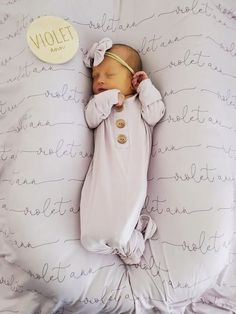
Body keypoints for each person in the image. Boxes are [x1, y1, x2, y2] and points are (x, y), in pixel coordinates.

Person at [80, 37, 165, 264]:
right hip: (103, 173)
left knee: (122, 215)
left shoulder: (140, 104)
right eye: (96, 76)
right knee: (90, 230)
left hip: (131, 174)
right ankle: (129, 239)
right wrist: (109, 97)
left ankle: (128, 239)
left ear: (132, 79)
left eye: (109, 75)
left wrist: (146, 86)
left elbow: (156, 113)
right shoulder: (101, 105)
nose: (100, 81)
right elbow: (90, 119)